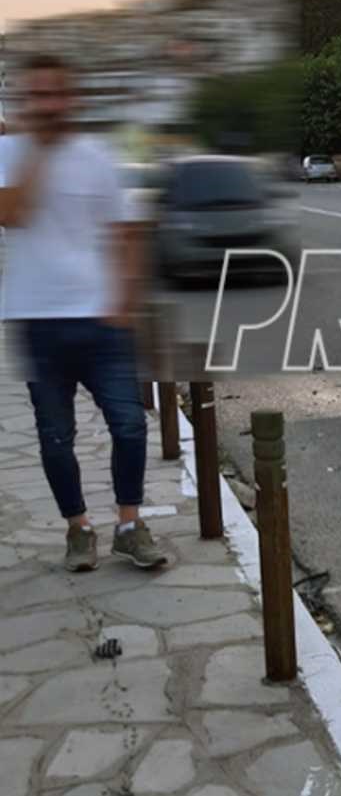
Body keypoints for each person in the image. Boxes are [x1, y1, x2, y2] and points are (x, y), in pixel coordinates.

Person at [0, 53, 166, 572]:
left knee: (130, 425)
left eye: (56, 94)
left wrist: (125, 303)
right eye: (38, 95)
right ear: (26, 101)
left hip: (101, 320)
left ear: (72, 99)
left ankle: (129, 526)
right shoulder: (8, 152)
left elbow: (127, 230)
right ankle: (78, 529)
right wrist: (35, 150)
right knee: (55, 437)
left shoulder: (99, 154)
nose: (48, 105)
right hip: (36, 321)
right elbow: (11, 214)